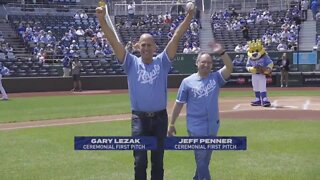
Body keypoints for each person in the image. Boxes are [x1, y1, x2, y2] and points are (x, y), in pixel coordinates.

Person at [96, 3, 194, 180]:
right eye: (143, 45)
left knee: (158, 161)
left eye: (149, 45)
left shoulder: (162, 62)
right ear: (138, 47)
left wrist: (189, 16)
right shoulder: (130, 62)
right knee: (140, 161)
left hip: (160, 118)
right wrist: (102, 20)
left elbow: (177, 36)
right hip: (139, 119)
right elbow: (113, 41)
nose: (147, 48)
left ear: (155, 47)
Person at [167, 42, 233, 180]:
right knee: (201, 158)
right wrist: (171, 124)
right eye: (203, 62)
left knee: (205, 160)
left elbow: (229, 67)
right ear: (197, 63)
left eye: (209, 63)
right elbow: (179, 104)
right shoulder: (187, 82)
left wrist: (222, 52)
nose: (206, 65)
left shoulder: (215, 78)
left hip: (213, 125)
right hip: (195, 126)